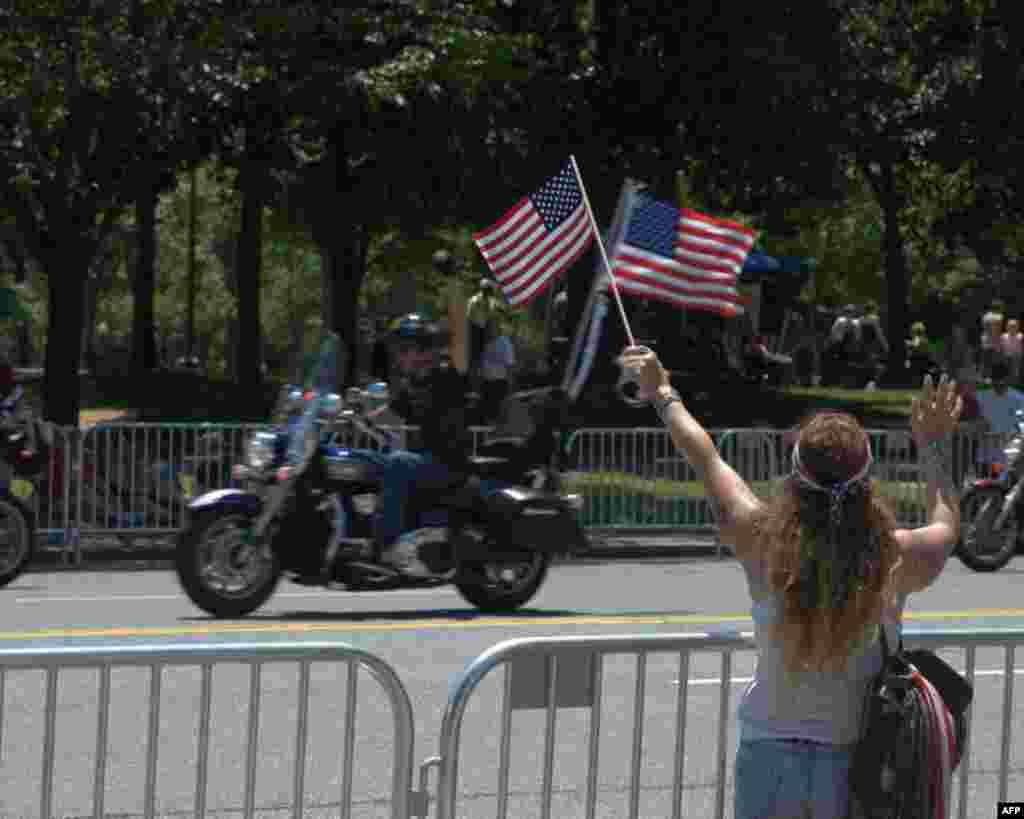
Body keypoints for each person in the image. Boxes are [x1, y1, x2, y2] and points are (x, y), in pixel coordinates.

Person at [619, 345, 961, 819]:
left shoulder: (762, 541)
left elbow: (706, 457)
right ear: (867, 481)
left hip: (768, 761)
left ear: (794, 477)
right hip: (853, 765)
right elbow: (946, 525)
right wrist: (933, 446)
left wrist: (662, 394)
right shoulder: (893, 557)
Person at [369, 281, 472, 575]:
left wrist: (455, 292)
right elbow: (385, 416)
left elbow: (461, 341)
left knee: (398, 462)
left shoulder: (448, 374)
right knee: (367, 463)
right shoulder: (411, 385)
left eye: (405, 348)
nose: (400, 356)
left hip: (449, 464)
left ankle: (387, 546)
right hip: (424, 461)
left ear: (424, 349)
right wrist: (340, 417)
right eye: (399, 349)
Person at [975, 357, 1024, 472]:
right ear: (991, 380)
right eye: (995, 380)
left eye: (1002, 381)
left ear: (1008, 379)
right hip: (985, 455)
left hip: (1009, 456)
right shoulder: (981, 397)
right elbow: (976, 421)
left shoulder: (1019, 399)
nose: (999, 384)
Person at [478, 316, 516, 423]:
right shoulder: (486, 344)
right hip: (487, 383)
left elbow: (510, 364)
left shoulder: (504, 342)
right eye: (488, 327)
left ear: (497, 328)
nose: (490, 330)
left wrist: (510, 383)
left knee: (499, 412)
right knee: (488, 414)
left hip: (499, 382)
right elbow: (483, 365)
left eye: (493, 327)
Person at [1000, 317, 1022, 384]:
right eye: (1010, 326)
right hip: (1006, 356)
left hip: (1016, 357)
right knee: (1006, 372)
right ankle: (1006, 383)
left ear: (1017, 327)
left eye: (1014, 326)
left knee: (1015, 372)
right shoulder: (1003, 336)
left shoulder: (1020, 336)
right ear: (1007, 327)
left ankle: (1015, 383)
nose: (1012, 328)